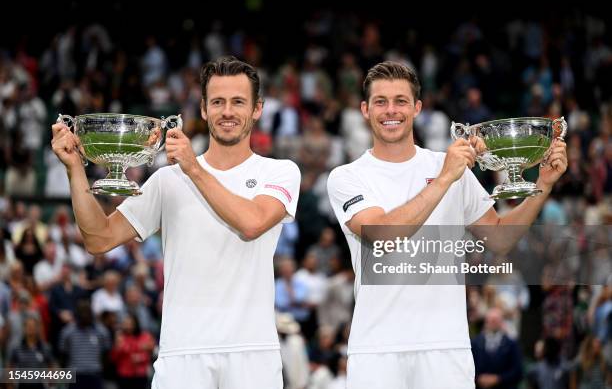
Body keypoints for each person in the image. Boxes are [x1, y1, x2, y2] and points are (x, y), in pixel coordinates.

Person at [51, 56, 301, 389]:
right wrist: (74, 168)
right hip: (182, 353)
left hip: (252, 353)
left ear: (257, 109)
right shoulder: (168, 180)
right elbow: (99, 239)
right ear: (203, 108)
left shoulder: (280, 171)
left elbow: (252, 223)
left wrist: (194, 169)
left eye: (238, 102)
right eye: (218, 102)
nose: (227, 111)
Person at [326, 60, 568, 389]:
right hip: (376, 348)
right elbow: (381, 234)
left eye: (401, 101)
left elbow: (499, 239)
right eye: (381, 102)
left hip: (446, 347)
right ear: (365, 110)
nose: (391, 110)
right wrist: (443, 179)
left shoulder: (448, 166)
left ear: (417, 108)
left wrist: (542, 186)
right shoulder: (347, 177)